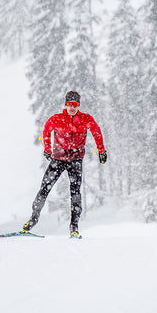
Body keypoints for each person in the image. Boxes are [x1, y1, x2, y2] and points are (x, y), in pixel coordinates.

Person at [22, 91, 107, 238]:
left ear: (78, 105)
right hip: (59, 158)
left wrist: (101, 151)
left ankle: (74, 227)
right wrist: (48, 150)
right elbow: (46, 131)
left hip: (75, 160)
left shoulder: (85, 119)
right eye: (69, 104)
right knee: (44, 188)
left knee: (75, 192)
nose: (72, 108)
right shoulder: (57, 119)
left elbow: (96, 132)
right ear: (66, 105)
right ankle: (33, 219)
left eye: (75, 105)